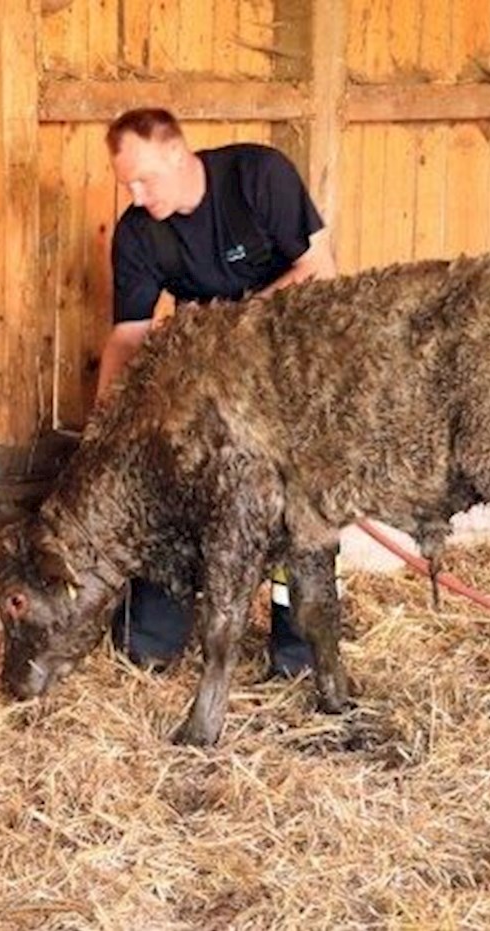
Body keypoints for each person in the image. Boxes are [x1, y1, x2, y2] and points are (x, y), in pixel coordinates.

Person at [95, 108, 338, 679]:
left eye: (144, 180)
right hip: (210, 377)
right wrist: (104, 427)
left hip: (292, 362)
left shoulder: (258, 177)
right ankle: (151, 642)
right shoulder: (139, 231)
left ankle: (299, 652)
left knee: (298, 511)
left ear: (177, 153)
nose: (136, 195)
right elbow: (128, 336)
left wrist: (223, 328)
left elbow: (319, 269)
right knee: (175, 483)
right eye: (127, 185)